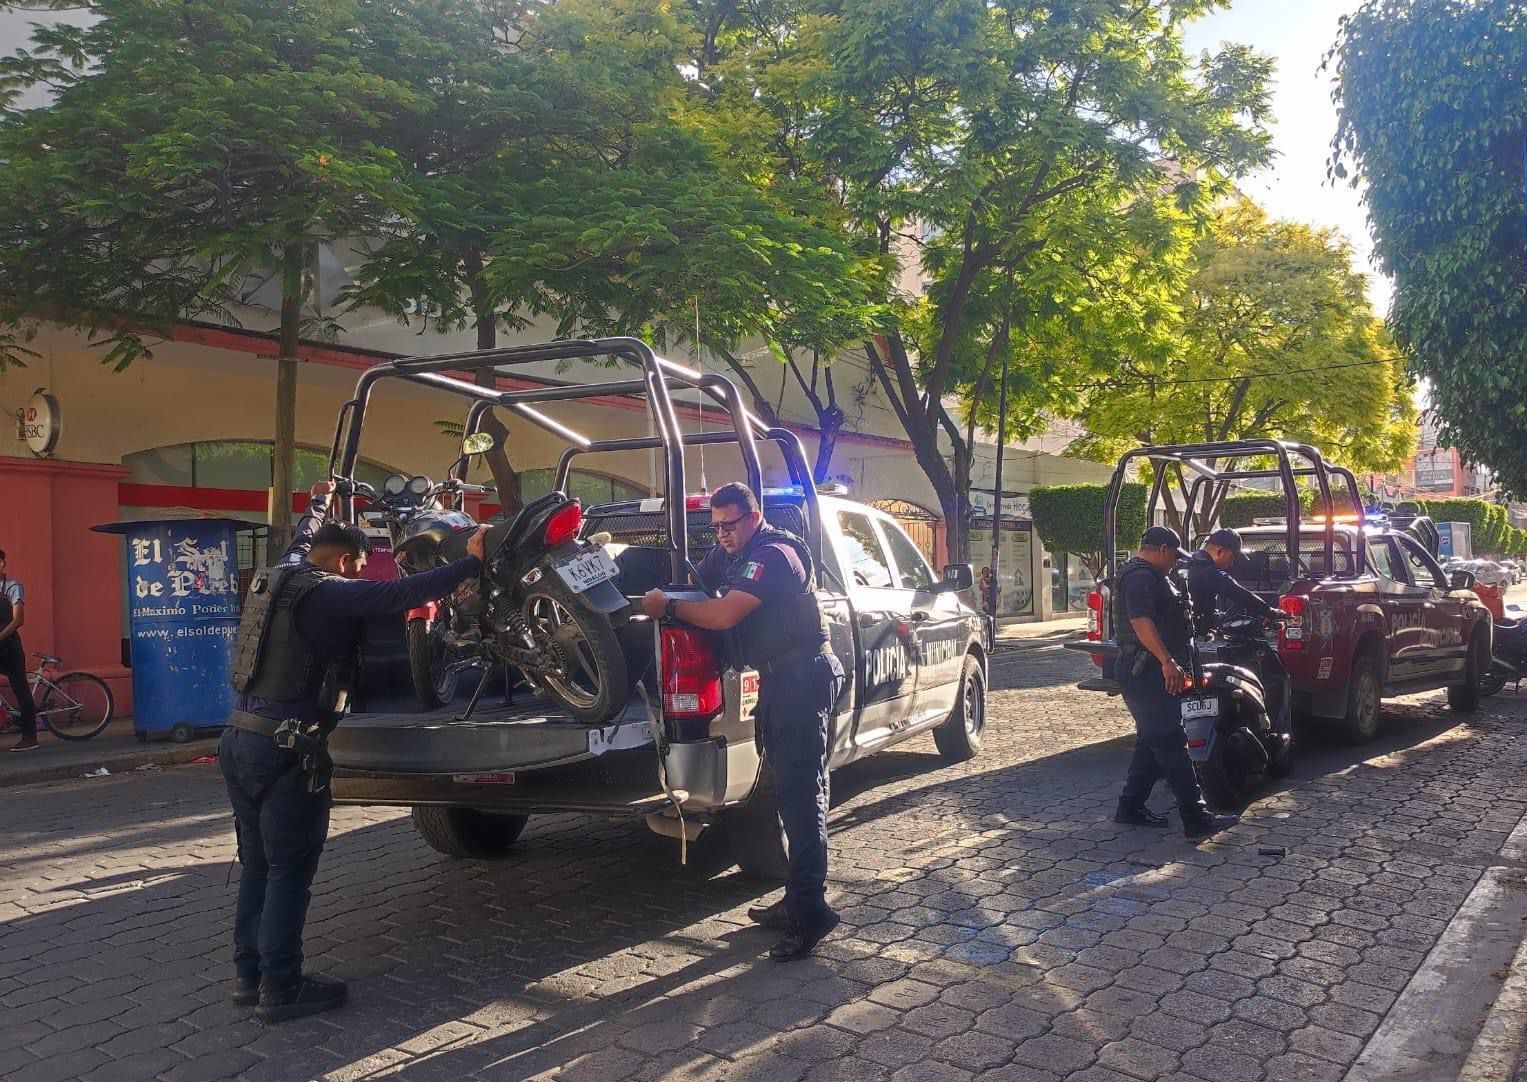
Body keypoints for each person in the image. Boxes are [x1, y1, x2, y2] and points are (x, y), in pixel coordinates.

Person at [222, 481, 487, 1023]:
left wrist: (319, 499)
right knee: (288, 869)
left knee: (255, 864)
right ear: (345, 561)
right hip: (287, 748)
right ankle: (282, 985)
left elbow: (302, 535)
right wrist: (469, 565)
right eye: (359, 565)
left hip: (238, 740)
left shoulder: (279, 574)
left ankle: (248, 977)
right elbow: (397, 596)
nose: (359, 574)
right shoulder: (330, 591)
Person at [641, 482, 846, 961]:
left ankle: (812, 912)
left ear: (753, 517)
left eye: (729, 525)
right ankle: (798, 898)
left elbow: (722, 614)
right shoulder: (733, 552)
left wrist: (668, 607)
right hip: (780, 681)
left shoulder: (773, 555)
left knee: (801, 796)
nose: (722, 534)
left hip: (803, 678)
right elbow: (692, 579)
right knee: (788, 792)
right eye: (715, 527)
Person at [1112, 526, 1237, 840]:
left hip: (1148, 671)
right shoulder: (1140, 576)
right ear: (1164, 549)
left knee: (1150, 740)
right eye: (1172, 558)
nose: (1173, 565)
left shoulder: (1148, 575)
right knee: (1170, 741)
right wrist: (1167, 660)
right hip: (1146, 672)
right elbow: (1141, 622)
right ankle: (1196, 818)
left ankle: (1130, 807)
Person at [1186, 527, 1278, 637]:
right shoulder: (1207, 571)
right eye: (1231, 558)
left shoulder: (1182, 562)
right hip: (1183, 639)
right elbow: (1237, 592)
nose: (1231, 563)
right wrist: (1270, 612)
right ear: (1220, 551)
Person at [0, 548, 39, 753]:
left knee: (21, 689)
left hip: (9, 646)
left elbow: (18, 620)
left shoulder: (13, 587)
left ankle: (30, 736)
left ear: (3, 563)